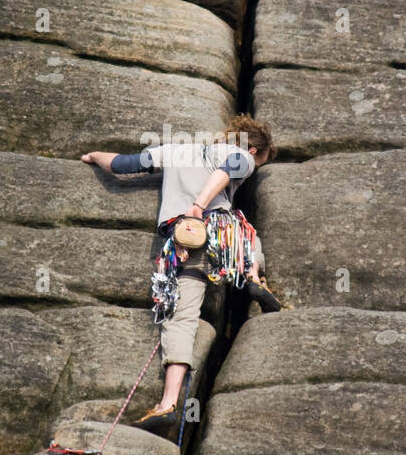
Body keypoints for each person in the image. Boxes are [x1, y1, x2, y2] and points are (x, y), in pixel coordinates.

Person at [81, 114, 280, 430]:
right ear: (253, 150)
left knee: (181, 318)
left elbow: (121, 165)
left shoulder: (173, 150)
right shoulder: (241, 153)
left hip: (183, 240)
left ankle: (168, 403)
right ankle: (254, 277)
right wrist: (199, 204)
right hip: (216, 228)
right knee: (242, 227)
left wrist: (92, 156)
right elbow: (229, 171)